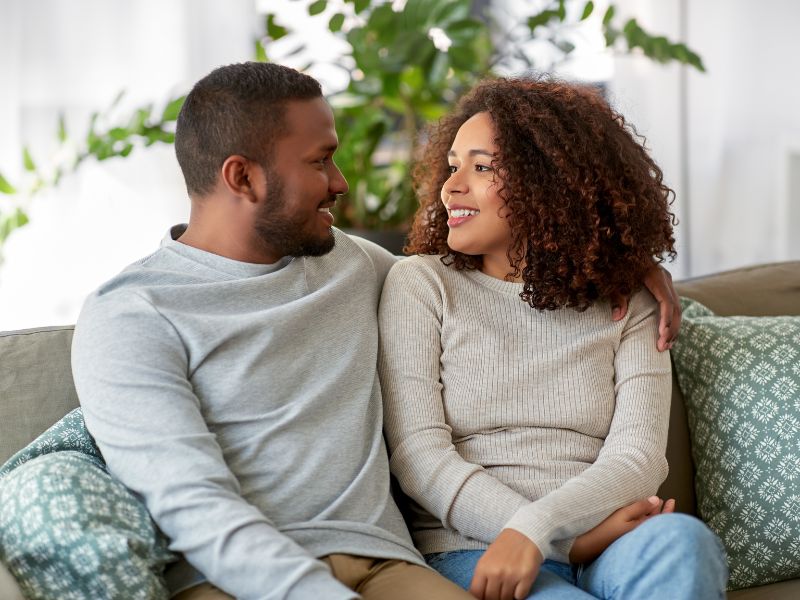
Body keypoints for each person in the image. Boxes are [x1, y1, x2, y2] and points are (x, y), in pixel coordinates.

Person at [71, 63, 683, 599]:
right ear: (243, 178)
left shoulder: (356, 266)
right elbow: (194, 509)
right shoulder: (130, 315)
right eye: (320, 161)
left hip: (389, 566)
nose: (341, 182)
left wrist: (626, 264)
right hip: (232, 581)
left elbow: (493, 281)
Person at [378, 77, 728, 600]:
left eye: (482, 167)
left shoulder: (628, 300)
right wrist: (566, 543)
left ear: (551, 183)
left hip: (609, 541)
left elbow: (638, 459)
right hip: (472, 547)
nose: (451, 186)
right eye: (453, 166)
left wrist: (541, 532)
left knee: (682, 541)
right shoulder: (421, 285)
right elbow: (419, 456)